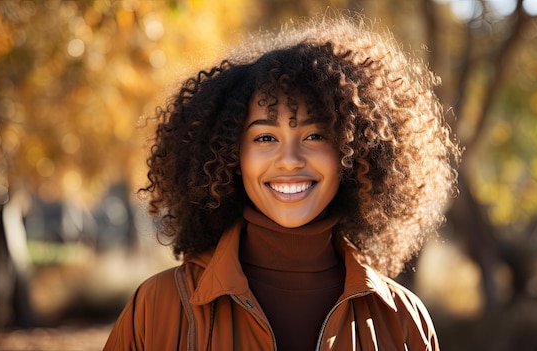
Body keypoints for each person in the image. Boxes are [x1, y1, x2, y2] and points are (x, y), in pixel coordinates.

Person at [104, 11, 459, 351]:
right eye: (264, 138)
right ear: (231, 157)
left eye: (315, 136)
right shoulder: (156, 308)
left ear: (352, 153)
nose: (290, 161)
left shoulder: (402, 320)